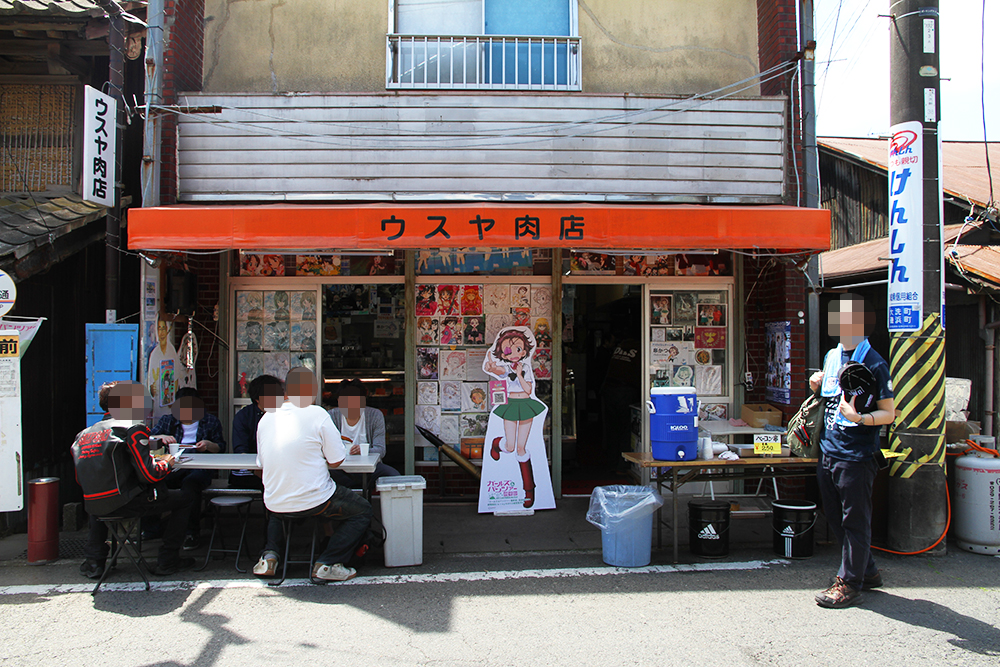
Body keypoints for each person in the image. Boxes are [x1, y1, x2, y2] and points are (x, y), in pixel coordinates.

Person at [809, 294, 894, 609]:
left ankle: (849, 584)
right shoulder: (834, 357)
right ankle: (867, 570)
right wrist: (816, 384)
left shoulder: (873, 363)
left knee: (855, 520)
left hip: (856, 455)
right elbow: (829, 399)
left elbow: (889, 413)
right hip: (829, 450)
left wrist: (859, 418)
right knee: (834, 515)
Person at [253, 368, 373, 582]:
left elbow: (261, 463)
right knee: (362, 510)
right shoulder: (317, 413)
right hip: (316, 499)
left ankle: (269, 557)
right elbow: (337, 460)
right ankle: (327, 562)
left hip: (275, 501)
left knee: (278, 509)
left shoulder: (266, 418)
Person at [73, 381, 195, 578]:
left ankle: (94, 562)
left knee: (100, 502)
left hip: (94, 504)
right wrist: (167, 463)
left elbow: (82, 479)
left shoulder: (85, 434)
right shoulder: (132, 428)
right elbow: (149, 474)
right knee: (185, 498)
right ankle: (168, 559)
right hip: (128, 501)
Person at [146, 387, 226, 550]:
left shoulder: (210, 421)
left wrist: (209, 445)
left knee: (191, 485)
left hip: (201, 467)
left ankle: (191, 532)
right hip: (174, 465)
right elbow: (149, 438)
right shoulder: (168, 421)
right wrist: (161, 437)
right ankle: (151, 528)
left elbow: (221, 447)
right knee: (154, 481)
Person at [483, 327, 546, 508]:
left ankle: (529, 490)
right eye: (508, 351)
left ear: (525, 351)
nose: (514, 354)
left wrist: (519, 374)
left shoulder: (525, 367)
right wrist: (492, 367)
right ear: (503, 353)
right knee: (510, 447)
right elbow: (498, 371)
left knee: (521, 448)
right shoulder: (504, 367)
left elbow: (528, 390)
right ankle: (498, 443)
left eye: (518, 349)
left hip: (525, 405)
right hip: (510, 406)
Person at [327, 379, 400, 492]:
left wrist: (362, 450)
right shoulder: (332, 416)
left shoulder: (375, 416)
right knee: (323, 474)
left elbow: (381, 450)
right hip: (340, 469)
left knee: (394, 476)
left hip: (370, 469)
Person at [229, 374, 283, 491]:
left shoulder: (285, 415)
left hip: (278, 470)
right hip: (248, 472)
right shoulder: (244, 417)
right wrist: (262, 472)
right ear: (257, 398)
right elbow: (241, 452)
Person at [601, 328, 641, 473]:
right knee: (626, 428)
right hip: (625, 391)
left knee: (612, 428)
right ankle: (623, 465)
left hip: (610, 389)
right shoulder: (639, 348)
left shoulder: (620, 348)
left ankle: (611, 461)